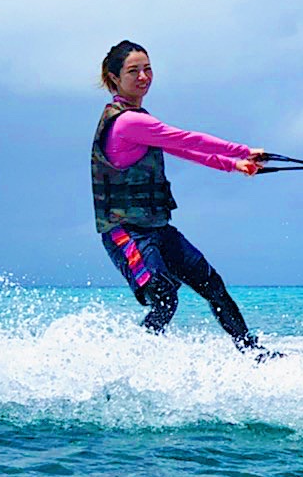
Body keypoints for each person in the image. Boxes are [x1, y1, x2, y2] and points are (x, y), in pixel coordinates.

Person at [91, 39, 276, 357]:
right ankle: (133, 359)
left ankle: (253, 353)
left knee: (213, 285)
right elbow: (187, 139)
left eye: (148, 69)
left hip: (157, 229)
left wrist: (234, 165)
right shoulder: (128, 122)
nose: (143, 77)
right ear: (114, 78)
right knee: (165, 296)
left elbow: (182, 149)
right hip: (126, 233)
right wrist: (244, 151)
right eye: (133, 71)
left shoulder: (140, 120)